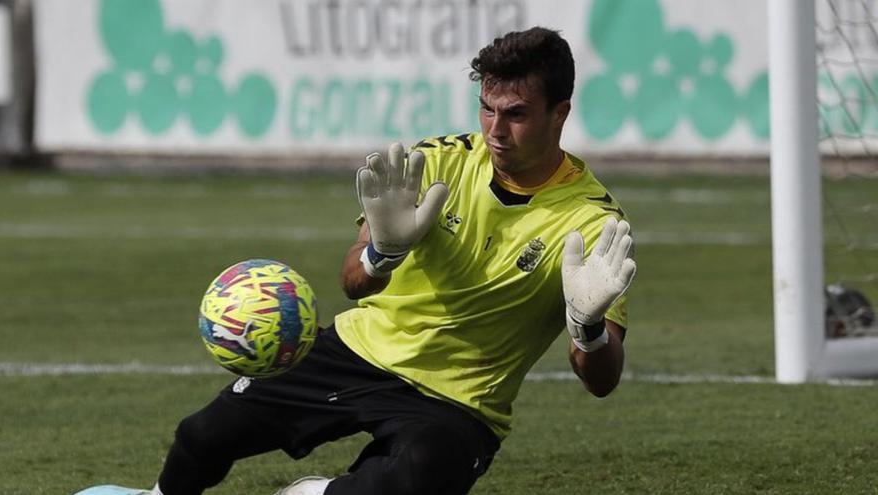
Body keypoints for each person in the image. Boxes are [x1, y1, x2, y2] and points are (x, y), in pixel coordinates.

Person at [75, 26, 636, 495]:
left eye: (515, 114)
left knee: (413, 480)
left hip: (459, 402)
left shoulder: (592, 222)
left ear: (559, 113)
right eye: (486, 109)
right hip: (357, 350)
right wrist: (380, 251)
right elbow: (352, 285)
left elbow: (602, 383)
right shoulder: (435, 162)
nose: (495, 130)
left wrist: (586, 330)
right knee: (201, 436)